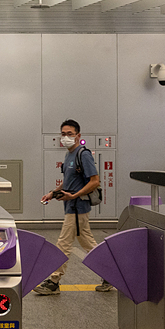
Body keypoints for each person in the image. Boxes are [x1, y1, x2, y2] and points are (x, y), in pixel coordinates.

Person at [33, 119, 111, 295]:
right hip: (71, 206)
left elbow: (95, 181)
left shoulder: (83, 154)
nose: (66, 137)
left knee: (63, 243)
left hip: (77, 207)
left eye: (70, 134)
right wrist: (53, 193)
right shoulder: (69, 155)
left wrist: (74, 195)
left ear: (78, 135)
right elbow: (68, 183)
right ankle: (111, 275)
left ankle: (54, 281)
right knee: (89, 244)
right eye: (63, 134)